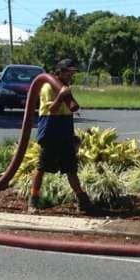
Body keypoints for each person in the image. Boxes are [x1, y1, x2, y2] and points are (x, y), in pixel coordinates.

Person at [29, 58, 94, 213]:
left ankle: (82, 201)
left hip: (64, 131)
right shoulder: (47, 87)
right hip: (51, 131)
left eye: (72, 73)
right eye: (68, 72)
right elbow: (51, 110)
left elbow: (68, 110)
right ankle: (33, 200)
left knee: (70, 168)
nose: (71, 76)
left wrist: (72, 136)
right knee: (42, 167)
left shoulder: (65, 87)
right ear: (60, 72)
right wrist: (60, 96)